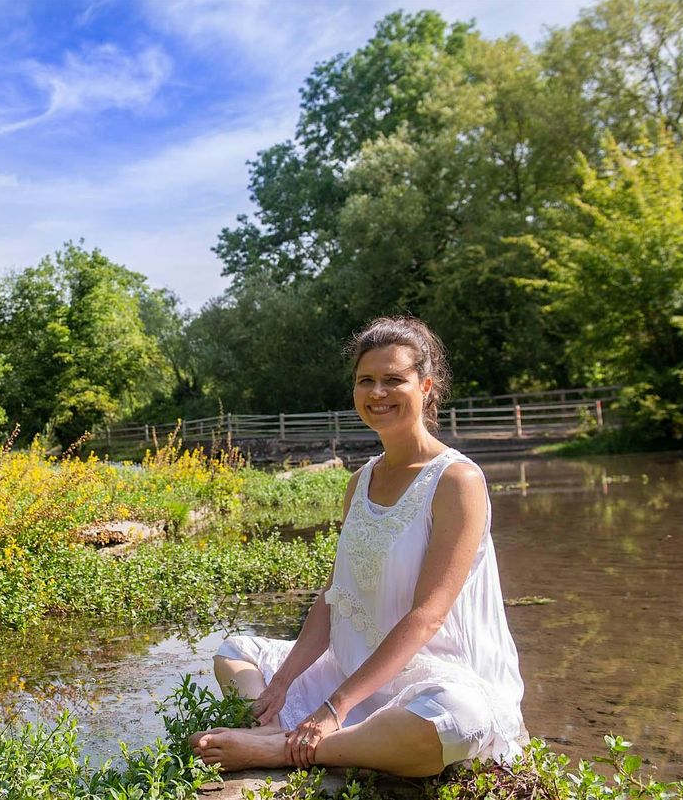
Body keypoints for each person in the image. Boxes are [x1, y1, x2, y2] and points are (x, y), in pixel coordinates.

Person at [191, 316, 525, 777]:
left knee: (455, 719)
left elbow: (428, 617)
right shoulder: (359, 483)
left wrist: (333, 708)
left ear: (426, 386)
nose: (377, 393)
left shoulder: (456, 481)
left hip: (430, 677)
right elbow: (335, 598)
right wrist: (282, 684)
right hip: (350, 670)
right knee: (234, 652)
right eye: (365, 380)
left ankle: (283, 749)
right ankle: (277, 724)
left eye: (394, 380)